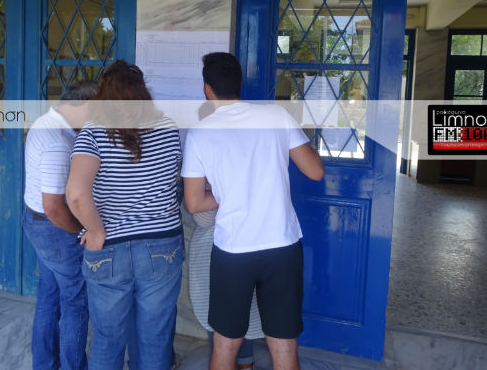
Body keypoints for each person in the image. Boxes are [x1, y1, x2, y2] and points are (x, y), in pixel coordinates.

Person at [181, 52, 324, 370]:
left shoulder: (200, 133)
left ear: (207, 89)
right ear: (239, 84)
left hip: (233, 250)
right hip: (282, 247)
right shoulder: (276, 116)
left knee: (225, 347)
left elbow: (195, 203)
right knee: (284, 349)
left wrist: (226, 193)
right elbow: (315, 171)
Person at [66, 60, 184, 370]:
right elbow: (174, 178)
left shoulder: (93, 133)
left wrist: (95, 230)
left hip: (109, 247)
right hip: (162, 246)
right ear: (143, 93)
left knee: (108, 339)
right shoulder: (167, 127)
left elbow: (76, 194)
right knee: (155, 339)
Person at [22, 80, 100, 370]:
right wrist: (84, 230)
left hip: (36, 223)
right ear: (87, 105)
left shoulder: (46, 122)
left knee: (49, 296)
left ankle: (44, 364)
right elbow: (54, 207)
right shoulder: (57, 140)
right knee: (75, 302)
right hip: (54, 229)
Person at [189, 207, 263, 370]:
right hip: (251, 247)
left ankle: (240, 363)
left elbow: (203, 218)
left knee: (220, 319)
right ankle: (245, 364)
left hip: (219, 249)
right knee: (244, 311)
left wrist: (218, 196)